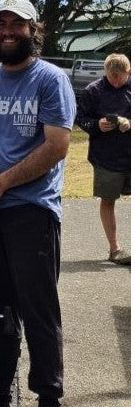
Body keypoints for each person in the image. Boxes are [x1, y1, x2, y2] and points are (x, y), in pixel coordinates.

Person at [0, 0, 76, 407]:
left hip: (31, 209)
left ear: (34, 30)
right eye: (1, 24)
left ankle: (49, 402)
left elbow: (56, 147)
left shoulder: (50, 80)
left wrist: (0, 185)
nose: (8, 31)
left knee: (38, 306)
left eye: (18, 25)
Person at [75, 53, 131, 265]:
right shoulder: (93, 91)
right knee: (108, 200)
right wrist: (96, 125)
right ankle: (114, 248)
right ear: (105, 72)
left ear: (129, 72)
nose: (116, 82)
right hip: (106, 157)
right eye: (111, 77)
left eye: (121, 78)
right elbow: (80, 119)